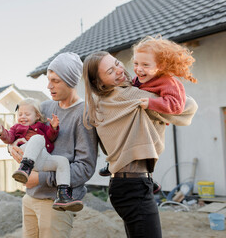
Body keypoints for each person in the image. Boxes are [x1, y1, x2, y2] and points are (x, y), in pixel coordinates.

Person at [82, 51, 198, 238]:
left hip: (124, 185)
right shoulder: (129, 94)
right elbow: (186, 107)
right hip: (134, 186)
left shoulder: (101, 102)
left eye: (117, 64)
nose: (120, 71)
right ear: (99, 83)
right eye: (110, 71)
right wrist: (164, 83)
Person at [9, 52, 98, 238]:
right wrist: (13, 147)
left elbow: (85, 168)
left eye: (55, 81)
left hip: (55, 203)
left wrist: (40, 178)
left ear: (70, 80)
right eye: (49, 80)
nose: (49, 86)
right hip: (30, 196)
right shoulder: (46, 107)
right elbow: (20, 131)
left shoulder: (84, 115)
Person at [98, 35, 197, 194]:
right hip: (144, 118)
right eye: (136, 63)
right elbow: (131, 89)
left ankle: (149, 179)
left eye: (145, 64)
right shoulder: (140, 78)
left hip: (156, 122)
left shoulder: (168, 82)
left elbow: (176, 105)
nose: (138, 69)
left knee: (148, 148)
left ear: (160, 66)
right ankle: (115, 164)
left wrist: (152, 103)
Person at [0, 97, 83, 212]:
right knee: (37, 138)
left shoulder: (41, 126)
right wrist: (1, 132)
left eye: (27, 114)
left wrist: (54, 127)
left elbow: (51, 137)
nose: (23, 117)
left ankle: (62, 194)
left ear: (37, 116)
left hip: (42, 158)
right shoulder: (16, 127)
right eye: (20, 114)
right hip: (26, 152)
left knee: (62, 161)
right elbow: (9, 138)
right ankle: (24, 168)